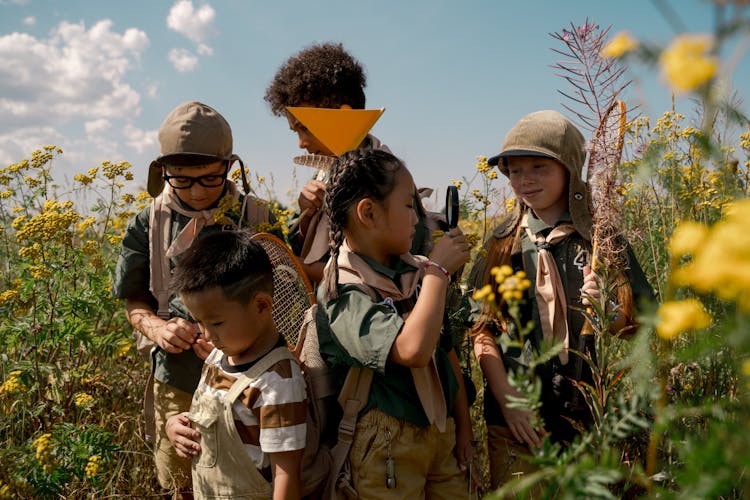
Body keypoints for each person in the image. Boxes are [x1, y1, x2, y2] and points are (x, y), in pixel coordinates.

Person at [468, 110, 654, 490]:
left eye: (539, 166)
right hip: (513, 420)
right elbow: (481, 329)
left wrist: (608, 311)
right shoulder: (502, 241)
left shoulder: (600, 237)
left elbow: (639, 324)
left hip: (581, 414)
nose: (525, 180)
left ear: (570, 169)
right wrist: (507, 400)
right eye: (515, 170)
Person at [112, 101, 274, 495]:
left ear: (230, 168)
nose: (197, 192)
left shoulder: (257, 217)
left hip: (251, 385)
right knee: (182, 483)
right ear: (163, 171)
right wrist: (158, 328)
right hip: (178, 381)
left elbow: (286, 303)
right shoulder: (148, 222)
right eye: (181, 180)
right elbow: (134, 301)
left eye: (209, 179)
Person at [316, 148, 474, 498]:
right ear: (369, 213)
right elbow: (412, 349)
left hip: (439, 432)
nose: (418, 219)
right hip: (384, 446)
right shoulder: (343, 291)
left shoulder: (411, 272)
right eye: (408, 205)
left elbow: (444, 352)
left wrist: (463, 428)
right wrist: (438, 272)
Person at [264, 42, 438, 284]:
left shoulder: (385, 178)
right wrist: (306, 214)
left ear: (344, 115)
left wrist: (295, 267)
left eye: (305, 128)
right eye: (295, 131)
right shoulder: (324, 173)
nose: (301, 143)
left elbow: (387, 277)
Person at [164, 230, 306, 499]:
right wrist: (176, 425)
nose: (206, 335)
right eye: (200, 322)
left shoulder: (277, 382)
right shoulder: (218, 357)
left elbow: (286, 474)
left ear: (262, 306)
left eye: (216, 323)